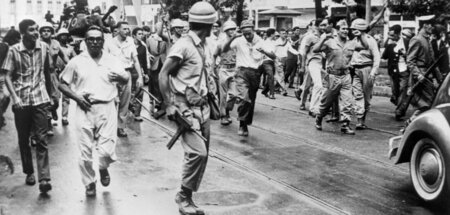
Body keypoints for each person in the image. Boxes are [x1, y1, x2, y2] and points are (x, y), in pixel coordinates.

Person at [159, 2, 217, 214]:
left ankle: (187, 197)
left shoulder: (201, 45)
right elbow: (163, 74)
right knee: (197, 153)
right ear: (208, 24)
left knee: (203, 154)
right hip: (184, 107)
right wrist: (169, 105)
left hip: (201, 107)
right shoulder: (183, 45)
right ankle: (183, 197)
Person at [59, 25, 129, 197]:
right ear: (85, 41)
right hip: (85, 108)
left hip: (107, 106)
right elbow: (62, 83)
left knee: (106, 150)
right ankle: (89, 182)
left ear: (103, 42)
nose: (95, 42)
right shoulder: (77, 61)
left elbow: (126, 77)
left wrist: (121, 78)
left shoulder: (111, 59)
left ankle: (103, 167)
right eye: (91, 39)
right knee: (85, 150)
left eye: (99, 39)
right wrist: (76, 98)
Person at [2, 19, 53, 193]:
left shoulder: (44, 47)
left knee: (42, 139)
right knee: (24, 139)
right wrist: (15, 98)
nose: (36, 32)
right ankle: (29, 171)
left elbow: (47, 71)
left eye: (36, 29)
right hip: (21, 100)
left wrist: (51, 95)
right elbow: (7, 76)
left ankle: (44, 178)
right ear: (23, 33)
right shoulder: (14, 50)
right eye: (32, 30)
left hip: (40, 99)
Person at [223, 20, 274, 136]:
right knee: (243, 98)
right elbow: (225, 49)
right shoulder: (239, 41)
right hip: (242, 72)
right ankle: (242, 124)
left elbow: (273, 56)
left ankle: (245, 123)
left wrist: (264, 51)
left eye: (249, 33)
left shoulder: (261, 41)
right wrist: (232, 38)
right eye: (244, 33)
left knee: (251, 100)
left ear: (253, 30)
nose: (247, 36)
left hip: (256, 73)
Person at [313, 19, 359, 135]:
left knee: (347, 102)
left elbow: (365, 46)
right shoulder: (330, 42)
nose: (346, 31)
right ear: (337, 30)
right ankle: (319, 117)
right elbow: (315, 49)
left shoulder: (351, 43)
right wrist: (323, 38)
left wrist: (361, 34)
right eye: (343, 29)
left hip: (346, 75)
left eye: (347, 29)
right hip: (332, 76)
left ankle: (345, 124)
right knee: (326, 101)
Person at [104, 21, 143, 137]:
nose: (127, 31)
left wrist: (140, 77)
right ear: (118, 30)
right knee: (111, 100)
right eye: (125, 29)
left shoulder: (130, 41)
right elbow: (104, 60)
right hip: (113, 74)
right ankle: (108, 127)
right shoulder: (109, 42)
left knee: (125, 101)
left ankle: (120, 127)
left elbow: (135, 60)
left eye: (128, 29)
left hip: (126, 73)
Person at [406, 15, 441, 123]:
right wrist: (418, 74)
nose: (432, 27)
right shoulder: (417, 39)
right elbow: (410, 61)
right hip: (421, 77)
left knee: (429, 103)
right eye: (431, 25)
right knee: (427, 104)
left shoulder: (426, 40)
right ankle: (411, 123)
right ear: (425, 25)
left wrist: (439, 79)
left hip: (427, 75)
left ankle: (412, 123)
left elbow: (432, 62)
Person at [349, 18, 380, 130]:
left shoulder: (370, 40)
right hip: (356, 70)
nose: (353, 31)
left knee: (366, 97)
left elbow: (377, 57)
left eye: (355, 29)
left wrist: (373, 72)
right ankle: (359, 120)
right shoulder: (354, 41)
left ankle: (363, 119)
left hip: (367, 69)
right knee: (357, 95)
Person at [39, 22, 69, 136]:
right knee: (45, 100)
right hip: (41, 75)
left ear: (52, 32)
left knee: (56, 99)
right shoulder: (38, 43)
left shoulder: (56, 43)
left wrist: (70, 65)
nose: (46, 32)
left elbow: (64, 56)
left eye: (48, 30)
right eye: (43, 30)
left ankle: (53, 109)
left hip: (53, 74)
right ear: (40, 32)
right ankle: (48, 124)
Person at [299, 19, 324, 117]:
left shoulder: (322, 37)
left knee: (319, 85)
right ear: (317, 27)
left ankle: (317, 106)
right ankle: (307, 105)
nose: (323, 28)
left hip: (320, 64)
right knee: (308, 85)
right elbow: (304, 52)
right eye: (321, 26)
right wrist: (302, 66)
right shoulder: (310, 37)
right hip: (311, 63)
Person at [214, 20, 238, 125]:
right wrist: (212, 68)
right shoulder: (221, 42)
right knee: (223, 96)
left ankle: (227, 111)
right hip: (223, 69)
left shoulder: (238, 42)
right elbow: (215, 55)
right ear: (225, 31)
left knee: (233, 94)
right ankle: (224, 115)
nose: (232, 31)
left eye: (233, 29)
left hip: (234, 69)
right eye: (230, 29)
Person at [0, 28, 21, 129]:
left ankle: (1, 116)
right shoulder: (5, 46)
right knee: (6, 96)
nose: (19, 41)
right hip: (2, 76)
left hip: (4, 75)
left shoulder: (6, 46)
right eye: (17, 39)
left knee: (6, 97)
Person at [55, 28, 76, 126]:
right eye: (61, 35)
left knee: (66, 97)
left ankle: (64, 116)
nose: (63, 37)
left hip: (66, 74)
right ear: (58, 36)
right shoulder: (54, 47)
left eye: (65, 35)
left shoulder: (70, 48)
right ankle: (52, 112)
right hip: (55, 73)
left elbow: (75, 60)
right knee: (55, 96)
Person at [131, 27, 151, 122]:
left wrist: (146, 73)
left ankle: (137, 114)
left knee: (140, 92)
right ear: (134, 35)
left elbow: (144, 61)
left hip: (140, 72)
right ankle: (128, 110)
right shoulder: (129, 46)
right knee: (129, 93)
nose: (141, 35)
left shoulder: (143, 47)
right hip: (130, 71)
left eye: (142, 34)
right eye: (139, 34)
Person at [382, 25, 403, 106]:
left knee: (401, 88)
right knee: (394, 88)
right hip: (392, 70)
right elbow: (384, 56)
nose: (391, 37)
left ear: (398, 34)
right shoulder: (390, 45)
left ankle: (399, 104)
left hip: (402, 70)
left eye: (392, 35)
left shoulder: (403, 43)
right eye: (389, 35)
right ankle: (396, 99)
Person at [260, 28, 277, 99]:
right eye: (274, 34)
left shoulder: (273, 42)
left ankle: (264, 91)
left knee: (271, 76)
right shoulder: (265, 42)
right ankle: (272, 93)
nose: (275, 35)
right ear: (272, 34)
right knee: (271, 76)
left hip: (272, 61)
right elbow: (270, 54)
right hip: (266, 61)